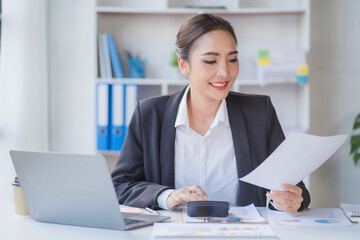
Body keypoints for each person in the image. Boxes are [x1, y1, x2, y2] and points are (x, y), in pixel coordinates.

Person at [111, 13, 310, 214]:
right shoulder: (150, 115)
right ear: (184, 65)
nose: (225, 72)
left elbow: (295, 188)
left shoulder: (259, 113)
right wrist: (167, 197)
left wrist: (286, 201)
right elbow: (119, 185)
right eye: (210, 61)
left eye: (232, 59)